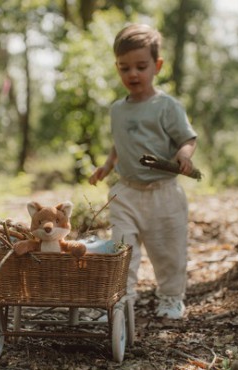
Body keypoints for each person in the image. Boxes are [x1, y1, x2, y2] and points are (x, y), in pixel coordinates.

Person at [89, 23, 197, 319]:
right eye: (125, 68)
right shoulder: (117, 110)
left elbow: (187, 138)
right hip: (126, 192)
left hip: (164, 194)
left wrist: (184, 155)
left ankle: (171, 298)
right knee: (122, 250)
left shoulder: (167, 106)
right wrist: (107, 165)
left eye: (141, 66)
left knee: (169, 252)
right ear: (117, 68)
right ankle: (121, 299)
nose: (132, 74)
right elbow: (119, 143)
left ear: (157, 65)